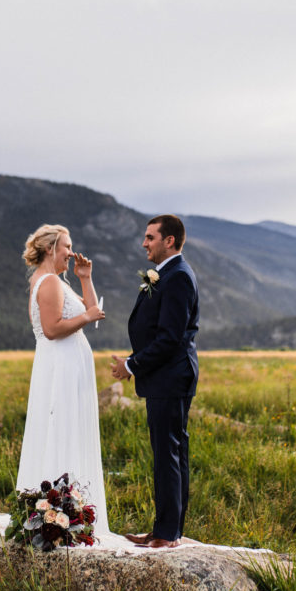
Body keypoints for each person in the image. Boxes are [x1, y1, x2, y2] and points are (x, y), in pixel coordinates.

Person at [111, 214, 199, 549]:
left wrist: (131, 365)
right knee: (171, 454)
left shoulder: (177, 277)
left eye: (150, 237)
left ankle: (167, 535)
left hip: (171, 377)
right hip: (167, 377)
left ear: (170, 241)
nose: (144, 243)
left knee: (168, 455)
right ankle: (167, 529)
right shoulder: (168, 274)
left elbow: (170, 339)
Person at [16, 224, 110, 533]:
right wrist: (85, 317)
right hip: (61, 367)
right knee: (63, 428)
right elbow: (54, 329)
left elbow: (93, 309)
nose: (71, 252)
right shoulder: (50, 284)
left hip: (68, 365)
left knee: (69, 428)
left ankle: (69, 512)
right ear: (49, 249)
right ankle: (61, 515)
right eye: (66, 247)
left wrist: (85, 279)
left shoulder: (55, 281)